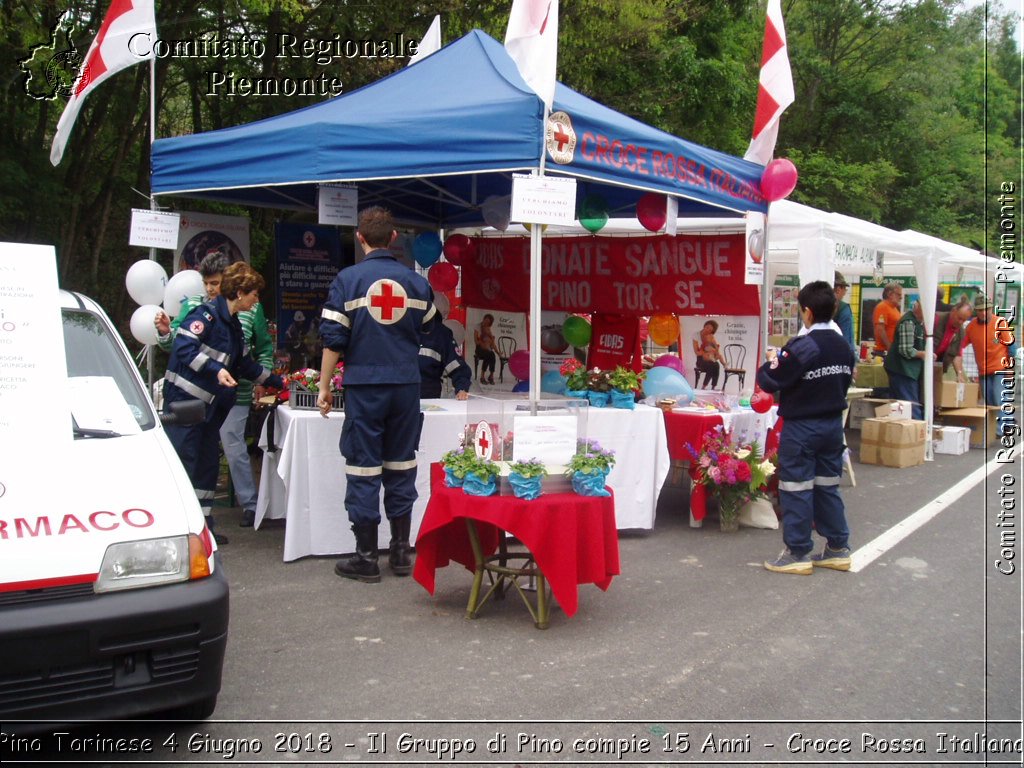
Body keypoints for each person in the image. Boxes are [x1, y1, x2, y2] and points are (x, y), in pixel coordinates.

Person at [317, 207, 436, 584]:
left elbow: (333, 341)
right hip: (405, 387)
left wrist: (322, 387)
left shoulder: (348, 281)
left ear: (360, 237)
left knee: (363, 468)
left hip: (364, 388)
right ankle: (401, 553)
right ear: (395, 238)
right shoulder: (417, 284)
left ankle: (366, 558)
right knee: (401, 465)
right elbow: (430, 328)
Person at [163, 262, 284, 545]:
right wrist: (215, 370)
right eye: (254, 295)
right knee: (184, 466)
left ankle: (204, 529)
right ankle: (177, 531)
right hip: (186, 407)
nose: (256, 301)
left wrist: (279, 381)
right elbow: (183, 347)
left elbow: (244, 364)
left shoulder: (232, 327)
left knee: (206, 466)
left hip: (209, 411)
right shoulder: (204, 315)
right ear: (240, 293)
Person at [756, 281, 855, 575]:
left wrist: (772, 361)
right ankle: (838, 548)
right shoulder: (844, 347)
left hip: (803, 427)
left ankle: (798, 552)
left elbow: (770, 380)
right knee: (828, 487)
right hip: (832, 426)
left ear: (808, 312)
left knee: (796, 487)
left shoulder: (803, 346)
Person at [960, 293, 1016, 407]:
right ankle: (993, 424)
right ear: (976, 311)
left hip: (1000, 370)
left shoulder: (1000, 323)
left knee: (998, 400)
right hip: (983, 372)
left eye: (986, 309)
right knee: (989, 404)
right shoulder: (971, 326)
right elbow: (960, 345)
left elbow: (1011, 347)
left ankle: (1002, 424)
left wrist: (1009, 369)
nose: (984, 313)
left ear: (991, 308)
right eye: (980, 310)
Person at [883, 300, 933, 420]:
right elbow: (905, 350)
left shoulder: (917, 322)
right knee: (911, 406)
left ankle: (898, 433)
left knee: (898, 407)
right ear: (919, 308)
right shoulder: (909, 322)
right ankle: (918, 434)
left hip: (904, 370)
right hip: (903, 370)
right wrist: (923, 354)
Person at [419, 311, 471, 400]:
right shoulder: (395, 328)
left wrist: (461, 388)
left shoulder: (440, 333)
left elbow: (457, 366)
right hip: (395, 400)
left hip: (427, 400)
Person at [933, 298, 972, 379]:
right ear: (953, 311)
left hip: (939, 366)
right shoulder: (937, 319)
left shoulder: (961, 332)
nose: (960, 322)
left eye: (964, 320)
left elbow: (957, 355)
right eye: (959, 318)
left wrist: (959, 373)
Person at [871, 282, 903, 357]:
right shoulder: (882, 307)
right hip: (883, 351)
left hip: (891, 350)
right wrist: (889, 347)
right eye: (899, 294)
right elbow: (880, 329)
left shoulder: (894, 309)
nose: (901, 297)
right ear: (890, 294)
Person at [694, 320, 723, 389]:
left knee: (716, 365)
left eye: (710, 329)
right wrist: (705, 351)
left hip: (710, 358)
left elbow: (716, 349)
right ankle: (704, 386)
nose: (707, 330)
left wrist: (715, 351)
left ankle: (713, 386)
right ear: (704, 326)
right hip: (701, 360)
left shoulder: (711, 337)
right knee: (712, 365)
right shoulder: (696, 335)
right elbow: (697, 352)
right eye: (707, 327)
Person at [832, 272, 856, 353]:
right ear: (838, 289)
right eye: (844, 289)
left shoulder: (817, 306)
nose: (845, 293)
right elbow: (847, 340)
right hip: (841, 356)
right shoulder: (843, 309)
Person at [474, 314, 497, 384]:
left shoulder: (488, 328)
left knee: (492, 354)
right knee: (489, 354)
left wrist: (491, 339)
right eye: (486, 320)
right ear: (484, 319)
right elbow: (476, 342)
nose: (486, 322)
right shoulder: (478, 326)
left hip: (487, 349)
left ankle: (491, 375)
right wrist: (482, 342)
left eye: (488, 322)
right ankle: (482, 377)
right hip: (479, 349)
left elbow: (492, 344)